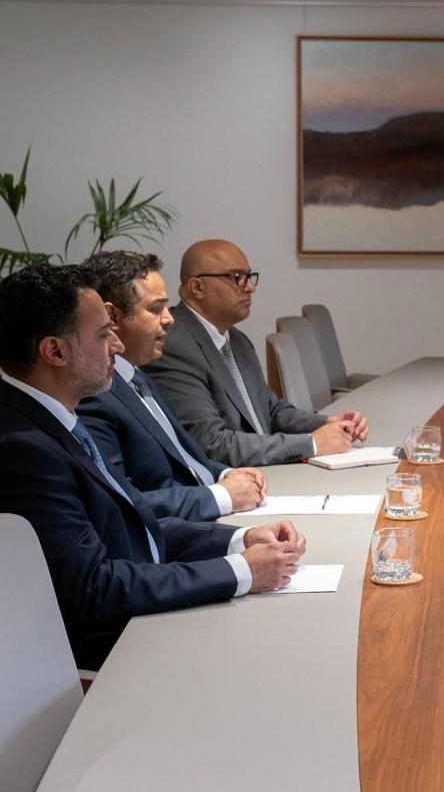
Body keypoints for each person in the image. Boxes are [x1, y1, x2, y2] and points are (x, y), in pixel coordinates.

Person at [0, 264, 304, 669]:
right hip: (111, 658)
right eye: (104, 334)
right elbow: (95, 589)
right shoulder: (24, 448)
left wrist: (240, 541)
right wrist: (240, 573)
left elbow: (131, 528)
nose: (118, 346)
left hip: (142, 621)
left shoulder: (53, 417)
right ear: (55, 351)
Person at [77, 251, 266, 521]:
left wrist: (225, 474)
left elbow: (182, 458)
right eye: (155, 309)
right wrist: (222, 496)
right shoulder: (94, 394)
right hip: (182, 535)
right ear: (112, 318)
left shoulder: (137, 375)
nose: (169, 318)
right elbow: (122, 502)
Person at [144, 239, 369, 466]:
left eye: (249, 277)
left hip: (268, 471)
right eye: (236, 278)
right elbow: (210, 443)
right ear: (197, 288)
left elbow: (270, 410)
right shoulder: (172, 345)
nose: (250, 287)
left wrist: (326, 422)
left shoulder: (238, 340)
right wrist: (311, 444)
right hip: (233, 485)